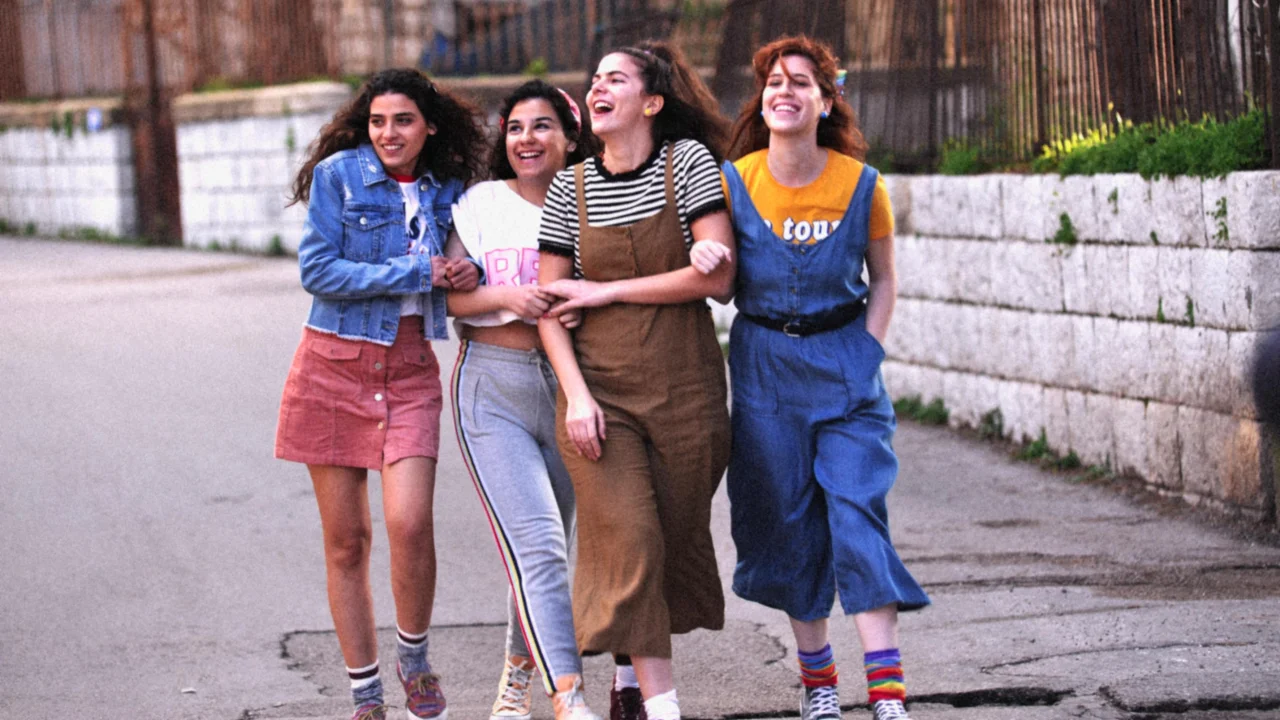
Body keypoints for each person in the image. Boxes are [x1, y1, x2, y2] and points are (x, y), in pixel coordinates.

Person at [690, 36, 930, 720]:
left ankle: (886, 693)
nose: (784, 91)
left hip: (844, 365)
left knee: (857, 515)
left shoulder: (863, 184)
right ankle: (819, 685)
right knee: (788, 523)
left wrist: (868, 352)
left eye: (800, 82)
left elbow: (885, 280)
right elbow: (720, 282)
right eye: (774, 82)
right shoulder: (734, 181)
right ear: (762, 99)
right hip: (764, 368)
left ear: (827, 101)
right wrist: (706, 257)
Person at [275, 68, 487, 720]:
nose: (388, 133)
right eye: (377, 121)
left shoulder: (452, 188)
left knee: (410, 523)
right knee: (347, 542)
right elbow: (318, 270)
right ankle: (366, 694)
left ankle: (413, 657)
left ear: (429, 126)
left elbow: (473, 256)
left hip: (409, 368)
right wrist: (417, 270)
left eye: (402, 120)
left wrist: (466, 269)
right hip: (331, 365)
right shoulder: (339, 177)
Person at [535, 41, 735, 720]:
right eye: (594, 78)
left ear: (651, 102)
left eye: (615, 79)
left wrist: (606, 292)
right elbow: (551, 307)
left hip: (687, 391)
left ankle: (627, 678)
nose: (597, 87)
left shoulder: (689, 164)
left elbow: (718, 278)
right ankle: (663, 708)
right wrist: (576, 396)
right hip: (599, 392)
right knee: (632, 538)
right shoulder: (569, 187)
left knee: (668, 540)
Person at [443, 79, 602, 720]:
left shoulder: (592, 199)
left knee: (547, 546)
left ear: (570, 137)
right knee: (537, 543)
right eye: (514, 128)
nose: (526, 139)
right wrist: (509, 297)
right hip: (493, 385)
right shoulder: (482, 203)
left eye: (541, 126)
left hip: (569, 387)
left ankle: (517, 672)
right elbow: (453, 297)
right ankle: (568, 695)